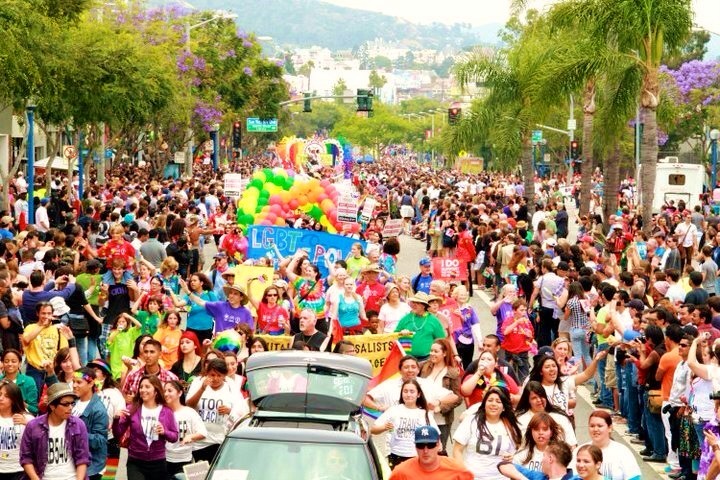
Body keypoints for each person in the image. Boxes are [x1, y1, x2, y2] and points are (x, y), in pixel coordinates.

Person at [114, 375, 179, 480]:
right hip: (135, 461)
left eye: (147, 387)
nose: (143, 390)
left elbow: (174, 436)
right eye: (141, 387)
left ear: (156, 390)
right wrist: (116, 419)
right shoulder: (132, 409)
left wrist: (164, 432)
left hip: (158, 462)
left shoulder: (166, 411)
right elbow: (118, 434)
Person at [20, 383, 90, 480]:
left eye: (72, 403)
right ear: (52, 406)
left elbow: (83, 458)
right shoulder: (33, 426)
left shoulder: (78, 425)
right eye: (65, 404)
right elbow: (26, 457)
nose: (70, 407)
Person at [186, 358, 249, 463]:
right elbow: (189, 405)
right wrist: (202, 389)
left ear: (224, 376)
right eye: (212, 375)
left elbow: (242, 412)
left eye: (219, 375)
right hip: (199, 442)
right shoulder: (198, 382)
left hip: (219, 440)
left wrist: (229, 411)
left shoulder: (230, 386)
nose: (215, 379)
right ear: (207, 373)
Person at [452, 387, 522, 480]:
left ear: (504, 407)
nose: (493, 404)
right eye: (490, 400)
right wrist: (463, 473)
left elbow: (519, 451)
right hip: (473, 477)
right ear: (484, 404)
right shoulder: (471, 421)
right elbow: (457, 450)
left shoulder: (510, 426)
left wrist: (513, 456)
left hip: (501, 477)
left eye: (498, 401)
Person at [370, 379, 438, 469]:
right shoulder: (393, 410)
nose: (408, 394)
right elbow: (373, 429)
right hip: (395, 456)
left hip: (417, 456)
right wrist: (384, 427)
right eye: (405, 391)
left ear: (418, 394)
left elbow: (436, 435)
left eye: (412, 391)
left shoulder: (424, 413)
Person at [419, 338, 463, 453]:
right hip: (423, 418)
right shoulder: (423, 367)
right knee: (423, 450)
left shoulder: (452, 373)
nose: (432, 354)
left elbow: (458, 398)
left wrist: (440, 407)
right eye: (431, 351)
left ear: (444, 353)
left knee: (439, 451)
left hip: (442, 420)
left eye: (436, 351)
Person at [571, 410, 641, 480]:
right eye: (592, 426)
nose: (595, 429)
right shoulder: (579, 451)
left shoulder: (623, 452)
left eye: (600, 426)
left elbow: (634, 477)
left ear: (610, 428)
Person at [388, 425, 473, 480]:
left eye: (431, 445)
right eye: (420, 445)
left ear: (438, 445)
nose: (425, 451)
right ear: (415, 446)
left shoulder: (458, 470)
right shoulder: (401, 472)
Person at [163, 380, 208, 478]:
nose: (166, 394)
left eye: (170, 391)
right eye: (164, 391)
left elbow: (203, 432)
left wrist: (190, 437)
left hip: (184, 461)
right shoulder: (161, 412)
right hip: (164, 460)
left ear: (179, 393)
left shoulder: (189, 412)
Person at [511, 381, 577, 447]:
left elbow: (572, 444)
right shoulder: (520, 420)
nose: (539, 400)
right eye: (534, 398)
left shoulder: (560, 417)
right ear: (528, 401)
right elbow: (516, 445)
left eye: (541, 396)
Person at [71, 368, 108, 480]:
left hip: (91, 467)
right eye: (73, 381)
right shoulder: (73, 403)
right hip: (74, 464)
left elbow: (100, 440)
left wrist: (76, 434)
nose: (74, 385)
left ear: (91, 383)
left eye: (79, 382)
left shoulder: (98, 409)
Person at [186, 283, 254, 333]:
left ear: (241, 297)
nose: (232, 296)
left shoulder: (246, 313)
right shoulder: (220, 306)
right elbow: (201, 302)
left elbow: (249, 332)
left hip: (236, 347)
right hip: (219, 346)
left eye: (235, 294)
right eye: (230, 293)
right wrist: (187, 292)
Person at [395, 292, 446, 360]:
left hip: (428, 359)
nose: (414, 305)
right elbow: (394, 336)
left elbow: (441, 340)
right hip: (407, 359)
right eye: (413, 302)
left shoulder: (434, 320)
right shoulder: (406, 318)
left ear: (424, 306)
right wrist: (401, 333)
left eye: (417, 303)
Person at [0, 381, 34, 480]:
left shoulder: (26, 418)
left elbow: (41, 439)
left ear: (14, 399)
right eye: (0, 394)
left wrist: (29, 425)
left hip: (19, 470)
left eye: (6, 396)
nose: (1, 398)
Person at [0, 349, 39, 415]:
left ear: (20, 363)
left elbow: (34, 410)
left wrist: (20, 403)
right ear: (2, 363)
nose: (10, 364)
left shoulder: (28, 381)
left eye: (13, 361)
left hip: (21, 417)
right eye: (6, 361)